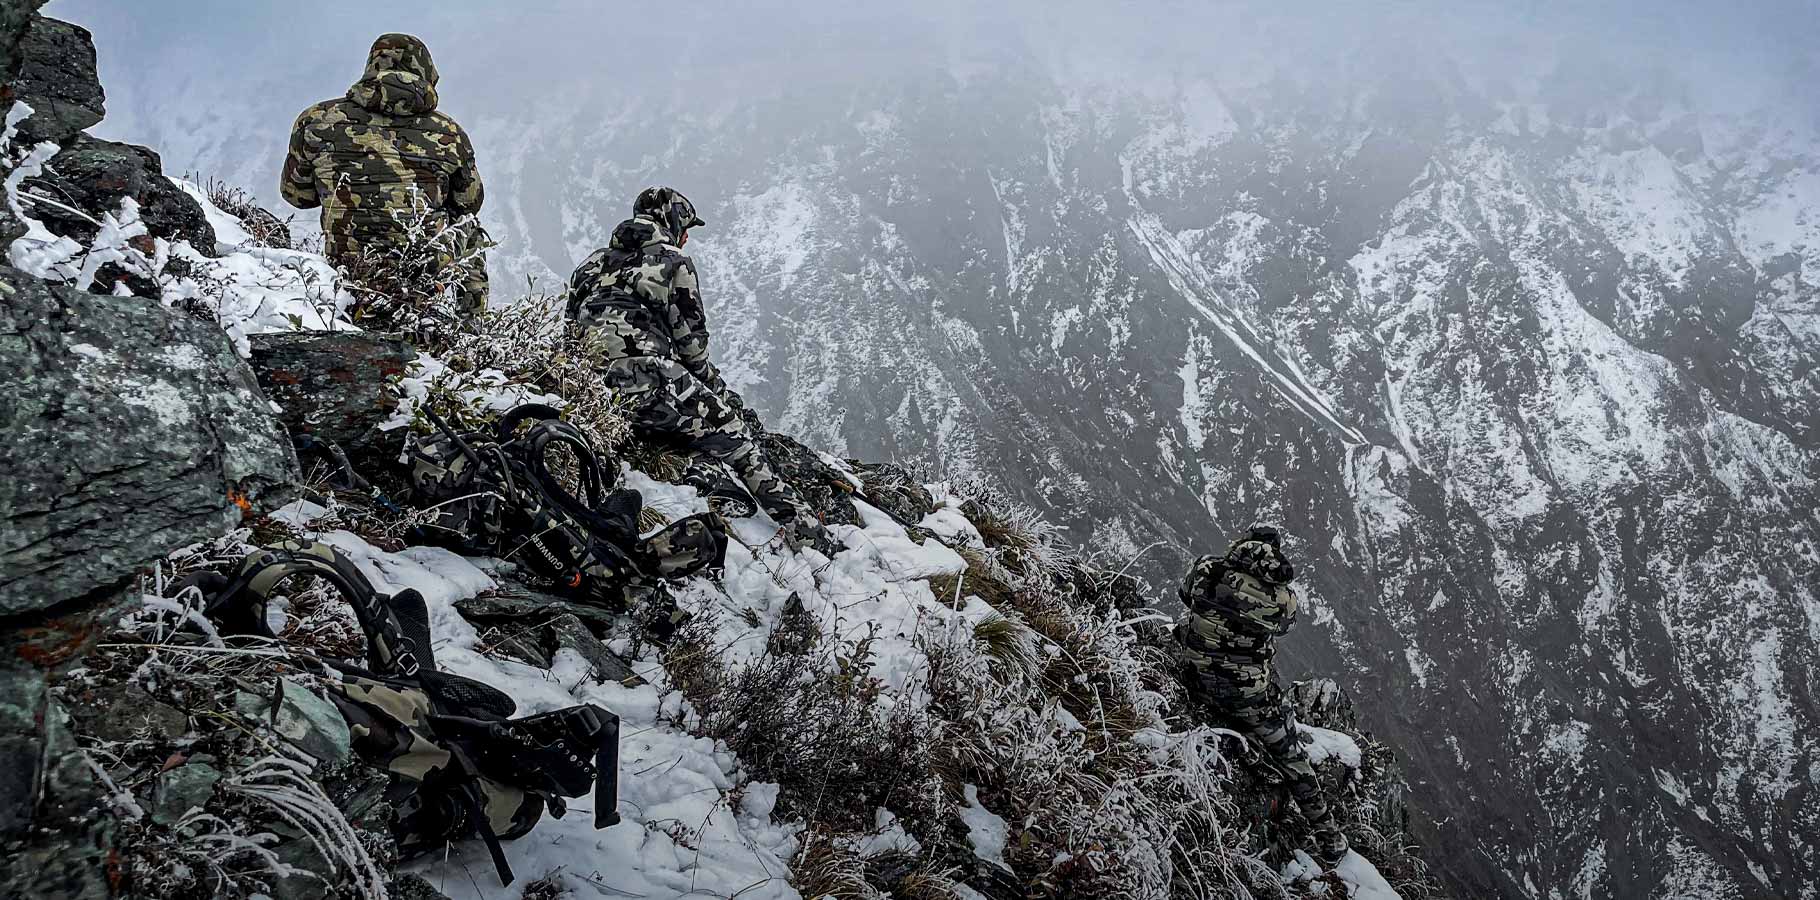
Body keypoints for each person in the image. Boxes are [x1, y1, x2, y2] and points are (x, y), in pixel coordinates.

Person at [564, 187, 834, 554]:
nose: (687, 235)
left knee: (673, 434)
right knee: (737, 439)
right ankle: (811, 535)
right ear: (671, 221)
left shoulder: (589, 265)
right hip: (651, 381)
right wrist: (717, 393)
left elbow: (569, 339)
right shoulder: (672, 261)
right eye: (686, 226)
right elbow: (692, 349)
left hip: (595, 395)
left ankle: (704, 481)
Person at [280, 33, 488, 320]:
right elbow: (469, 204)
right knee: (470, 232)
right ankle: (469, 331)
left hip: (344, 271)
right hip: (420, 277)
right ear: (425, 73)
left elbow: (297, 196)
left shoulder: (316, 119)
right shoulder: (450, 133)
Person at [1173, 526, 1349, 865]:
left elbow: (1185, 594)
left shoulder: (1207, 567)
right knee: (1291, 757)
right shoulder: (1280, 598)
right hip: (1245, 698)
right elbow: (1285, 625)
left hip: (1194, 679)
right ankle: (1330, 838)